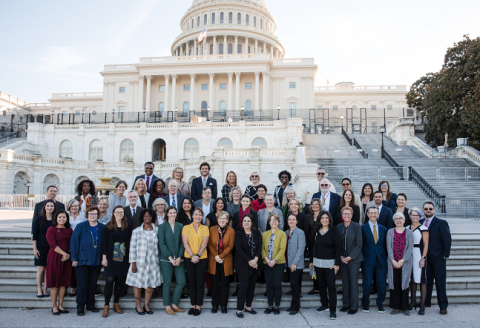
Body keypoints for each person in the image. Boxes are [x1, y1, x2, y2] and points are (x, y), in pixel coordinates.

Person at [126, 208, 162, 315]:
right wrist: (133, 264)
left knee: (150, 285)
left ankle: (146, 305)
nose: (147, 218)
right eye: (145, 216)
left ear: (153, 217)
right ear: (142, 217)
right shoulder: (136, 231)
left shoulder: (157, 230)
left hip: (153, 262)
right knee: (137, 285)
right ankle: (138, 305)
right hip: (139, 263)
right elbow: (132, 248)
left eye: (149, 216)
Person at [70, 206, 105, 316]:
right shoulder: (80, 226)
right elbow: (74, 243)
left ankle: (90, 305)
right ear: (87, 215)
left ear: (98, 215)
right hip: (82, 260)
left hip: (96, 260)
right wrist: (74, 259)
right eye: (91, 214)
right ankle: (80, 306)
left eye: (95, 214)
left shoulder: (103, 227)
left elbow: (105, 243)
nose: (93, 216)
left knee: (92, 284)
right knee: (82, 284)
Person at [420, 201, 451, 315]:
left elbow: (447, 240)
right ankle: (426, 301)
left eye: (430, 209)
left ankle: (443, 305)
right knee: (426, 281)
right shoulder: (420, 222)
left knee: (440, 282)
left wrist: (444, 255)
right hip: (425, 257)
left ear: (434, 210)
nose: (428, 210)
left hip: (438, 258)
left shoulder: (441, 223)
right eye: (426, 209)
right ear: (423, 210)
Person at [100, 205, 132, 317]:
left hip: (123, 258)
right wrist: (104, 258)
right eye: (117, 212)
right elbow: (104, 243)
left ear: (124, 214)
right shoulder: (108, 227)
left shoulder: (127, 227)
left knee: (119, 281)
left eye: (121, 212)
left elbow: (130, 243)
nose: (119, 214)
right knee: (109, 280)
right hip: (110, 258)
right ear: (113, 213)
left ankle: (116, 303)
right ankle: (106, 305)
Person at [309, 211, 339, 320]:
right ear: (319, 219)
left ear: (330, 219)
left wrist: (336, 264)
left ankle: (333, 310)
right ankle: (324, 304)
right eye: (322, 218)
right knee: (321, 285)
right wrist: (311, 260)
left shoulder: (334, 231)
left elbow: (338, 248)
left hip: (330, 264)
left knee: (331, 286)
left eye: (326, 218)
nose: (324, 220)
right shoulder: (317, 231)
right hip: (318, 263)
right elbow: (313, 246)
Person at [158, 206, 186, 315]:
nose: (173, 214)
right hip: (166, 259)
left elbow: (182, 243)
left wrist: (179, 257)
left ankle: (174, 303)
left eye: (174, 212)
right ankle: (167, 305)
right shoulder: (162, 227)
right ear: (167, 214)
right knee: (167, 282)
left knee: (181, 280)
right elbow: (162, 244)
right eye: (171, 213)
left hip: (179, 259)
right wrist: (170, 258)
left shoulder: (180, 226)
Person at [335, 206, 363, 315]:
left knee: (353, 282)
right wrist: (341, 256)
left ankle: (354, 306)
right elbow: (337, 243)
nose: (346, 216)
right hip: (342, 258)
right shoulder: (338, 227)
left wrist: (350, 257)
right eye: (344, 214)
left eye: (348, 214)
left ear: (351, 215)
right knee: (345, 282)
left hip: (354, 258)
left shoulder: (356, 226)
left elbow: (359, 244)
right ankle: (345, 304)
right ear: (342, 216)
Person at [182, 208, 210, 316]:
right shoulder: (186, 228)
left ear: (202, 217)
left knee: (200, 281)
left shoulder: (205, 228)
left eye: (200, 215)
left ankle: (198, 305)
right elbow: (185, 244)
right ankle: (193, 304)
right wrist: (192, 256)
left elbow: (204, 243)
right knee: (191, 282)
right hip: (189, 257)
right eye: (196, 214)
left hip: (202, 258)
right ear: (192, 216)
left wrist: (197, 255)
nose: (197, 216)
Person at [361, 207, 388, 314]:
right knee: (367, 283)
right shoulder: (362, 228)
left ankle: (380, 304)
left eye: (375, 213)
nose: (373, 215)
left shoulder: (384, 229)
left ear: (378, 214)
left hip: (381, 260)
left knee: (381, 283)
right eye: (371, 213)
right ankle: (365, 303)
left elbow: (385, 245)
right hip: (367, 259)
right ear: (367, 214)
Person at [46, 210, 73, 315]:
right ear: (56, 218)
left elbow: (72, 243)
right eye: (60, 217)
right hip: (55, 257)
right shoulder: (51, 229)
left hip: (66, 258)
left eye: (64, 217)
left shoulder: (69, 229)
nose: (62, 219)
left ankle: (61, 305)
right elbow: (53, 245)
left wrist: (68, 254)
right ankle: (54, 306)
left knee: (63, 283)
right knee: (55, 284)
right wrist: (64, 254)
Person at [234, 214, 262, 318]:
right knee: (243, 286)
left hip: (255, 263)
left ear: (252, 223)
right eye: (244, 221)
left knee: (251, 286)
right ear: (242, 223)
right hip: (242, 264)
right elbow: (239, 249)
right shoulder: (238, 234)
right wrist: (249, 261)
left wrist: (255, 259)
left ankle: (248, 307)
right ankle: (239, 309)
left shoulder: (257, 233)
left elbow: (259, 247)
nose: (246, 222)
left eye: (248, 221)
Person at [208, 211, 235, 314]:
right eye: (220, 218)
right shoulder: (211, 229)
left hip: (225, 260)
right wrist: (216, 256)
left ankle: (224, 305)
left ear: (227, 220)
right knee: (214, 283)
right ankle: (215, 305)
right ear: (217, 219)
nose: (222, 220)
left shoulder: (231, 231)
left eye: (224, 218)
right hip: (214, 260)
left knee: (225, 284)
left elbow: (231, 246)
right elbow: (210, 244)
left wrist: (220, 256)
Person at [387, 212, 414, 315]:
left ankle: (405, 307)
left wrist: (402, 261)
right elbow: (389, 247)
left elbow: (409, 248)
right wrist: (393, 260)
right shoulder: (390, 232)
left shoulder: (409, 232)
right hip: (392, 262)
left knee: (405, 284)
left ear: (404, 220)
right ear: (394, 221)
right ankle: (396, 307)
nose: (398, 220)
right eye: (396, 219)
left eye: (400, 218)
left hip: (405, 263)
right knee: (395, 284)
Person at [262, 213, 287, 315]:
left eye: (276, 220)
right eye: (272, 220)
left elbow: (282, 249)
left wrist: (274, 260)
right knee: (269, 284)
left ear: (278, 222)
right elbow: (262, 249)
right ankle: (270, 305)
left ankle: (277, 305)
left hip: (279, 263)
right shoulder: (264, 234)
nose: (274, 222)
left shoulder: (282, 234)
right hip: (267, 263)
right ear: (269, 222)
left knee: (277, 284)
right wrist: (268, 260)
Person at [32, 199, 57, 298]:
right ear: (44, 207)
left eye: (52, 206)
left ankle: (45, 289)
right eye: (48, 206)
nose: (50, 208)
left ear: (54, 208)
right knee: (41, 269)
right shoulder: (38, 219)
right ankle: (39, 289)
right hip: (40, 247)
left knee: (48, 269)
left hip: (52, 247)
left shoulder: (56, 220)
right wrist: (34, 248)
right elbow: (34, 235)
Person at [407, 207, 429, 315]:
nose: (414, 217)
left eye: (417, 215)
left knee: (421, 280)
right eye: (413, 215)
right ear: (410, 216)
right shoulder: (407, 227)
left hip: (418, 254)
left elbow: (426, 245)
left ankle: (422, 305)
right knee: (412, 279)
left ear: (419, 217)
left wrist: (423, 258)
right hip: (409, 255)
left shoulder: (423, 228)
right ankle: (413, 301)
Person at [285, 214, 306, 315]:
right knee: (293, 285)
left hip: (296, 264)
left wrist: (294, 263)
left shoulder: (300, 232)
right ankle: (293, 305)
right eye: (290, 219)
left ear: (297, 221)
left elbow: (301, 249)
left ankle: (295, 307)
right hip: (288, 264)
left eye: (294, 220)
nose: (291, 221)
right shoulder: (285, 233)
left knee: (295, 284)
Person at [306, 198, 322, 296]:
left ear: (320, 205)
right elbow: (307, 231)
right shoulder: (308, 216)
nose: (314, 206)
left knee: (321, 267)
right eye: (313, 204)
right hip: (312, 244)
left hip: (322, 244)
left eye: (316, 204)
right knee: (312, 266)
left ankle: (322, 287)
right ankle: (315, 287)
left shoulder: (324, 215)